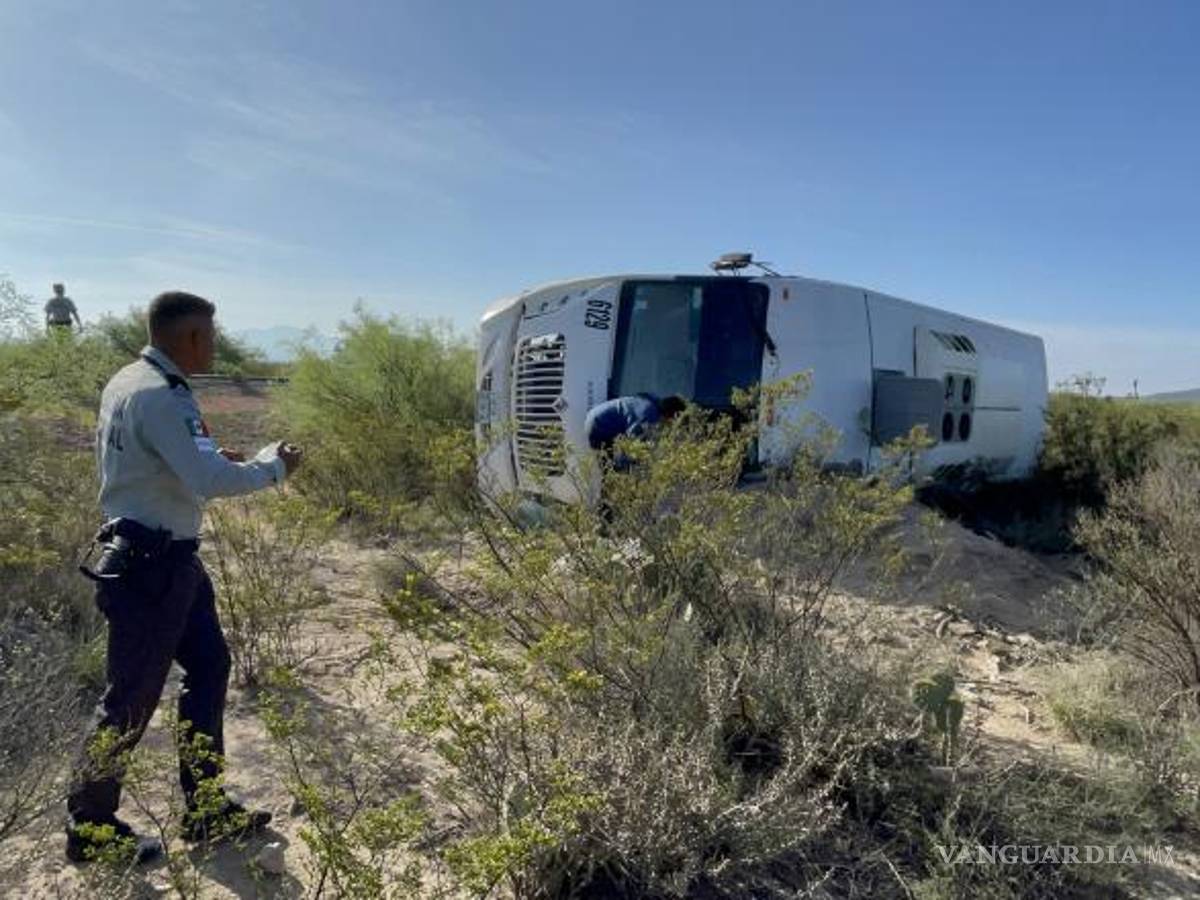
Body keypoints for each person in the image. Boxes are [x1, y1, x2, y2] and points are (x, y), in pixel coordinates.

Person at [66, 291, 303, 865]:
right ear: (191, 337)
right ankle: (90, 829)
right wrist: (275, 468)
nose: (216, 346)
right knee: (130, 698)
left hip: (165, 559)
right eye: (211, 336)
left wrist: (206, 459)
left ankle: (204, 806)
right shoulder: (167, 396)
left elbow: (153, 461)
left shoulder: (127, 381)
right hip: (153, 567)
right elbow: (209, 481)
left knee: (210, 665)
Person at [584, 393, 687, 460]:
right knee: (613, 470)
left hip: (596, 416)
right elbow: (632, 443)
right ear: (671, 415)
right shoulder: (648, 415)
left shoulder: (653, 400)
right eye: (675, 420)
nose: (672, 424)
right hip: (600, 426)